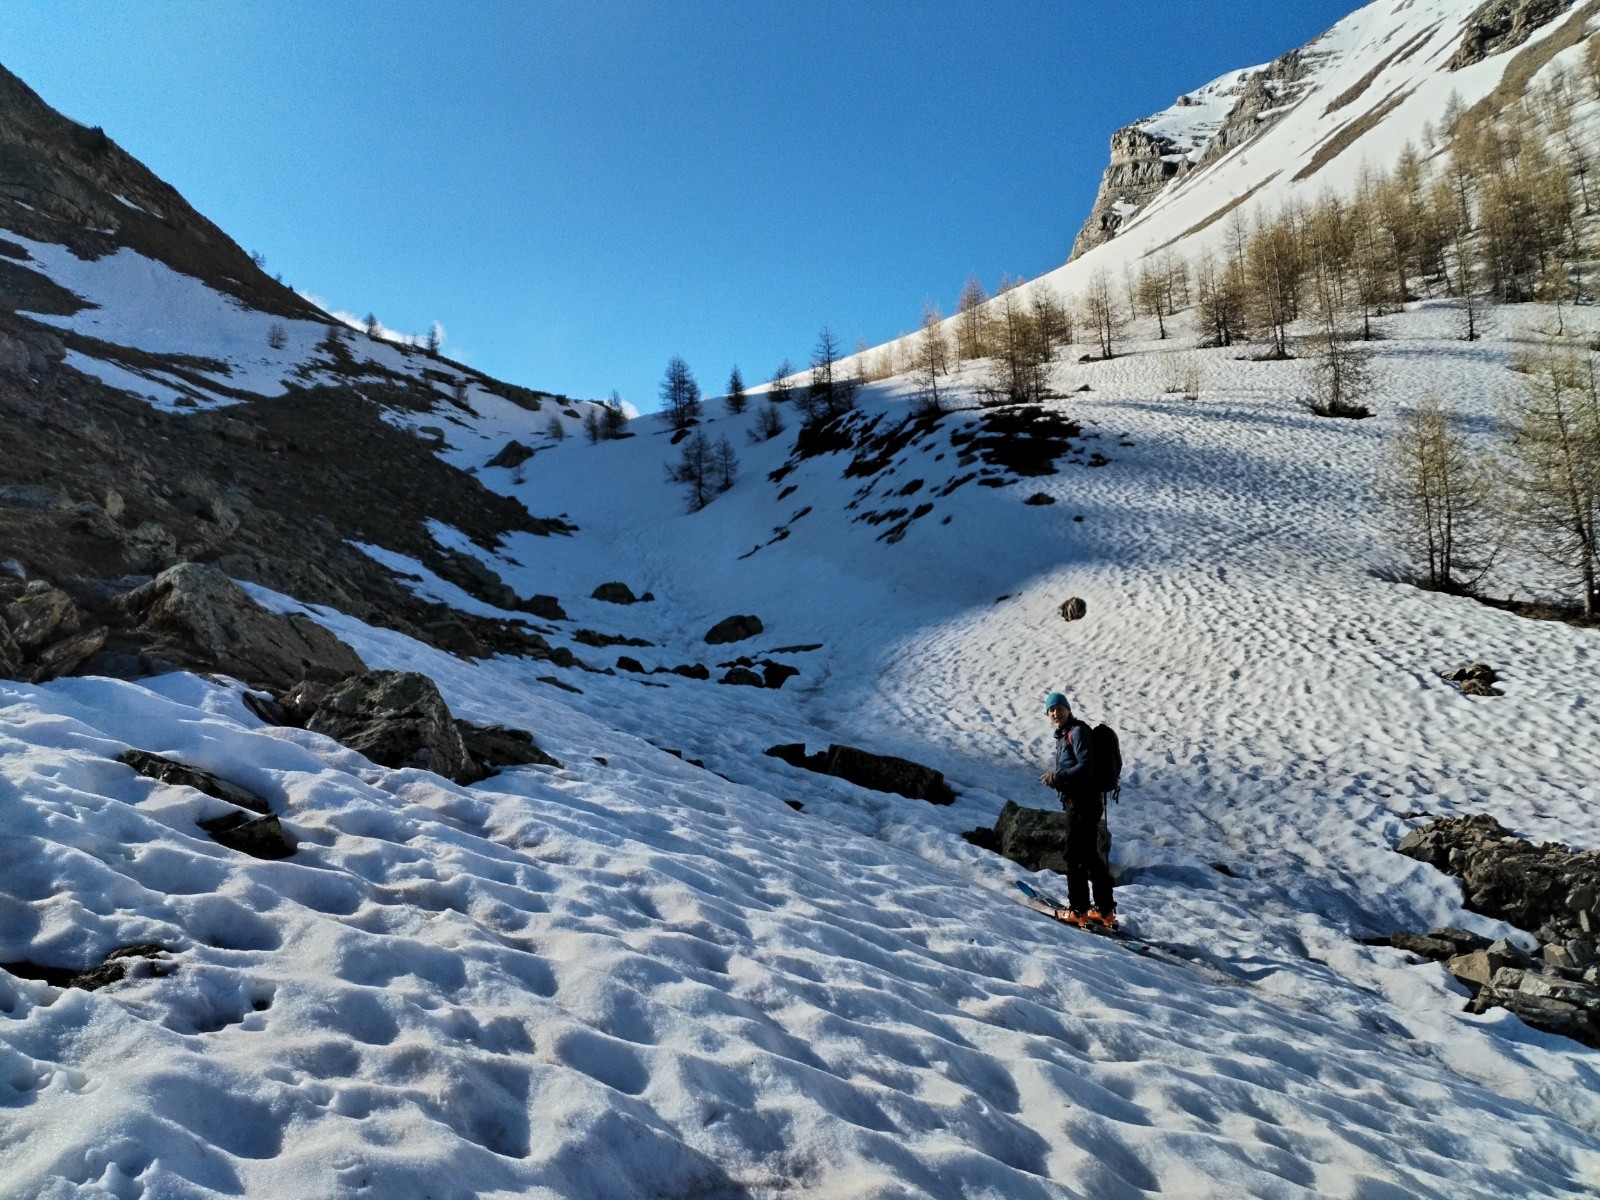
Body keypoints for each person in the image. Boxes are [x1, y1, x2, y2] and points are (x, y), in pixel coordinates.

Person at [1040, 691, 1115, 928]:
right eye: (1051, 710)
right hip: (1083, 801)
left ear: (1068, 709)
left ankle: (1078, 909)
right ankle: (1104, 910)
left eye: (1059, 708)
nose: (1055, 713)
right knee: (1091, 855)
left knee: (1074, 855)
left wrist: (1057, 776)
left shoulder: (1077, 732)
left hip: (1082, 803)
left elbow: (1085, 766)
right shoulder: (1065, 735)